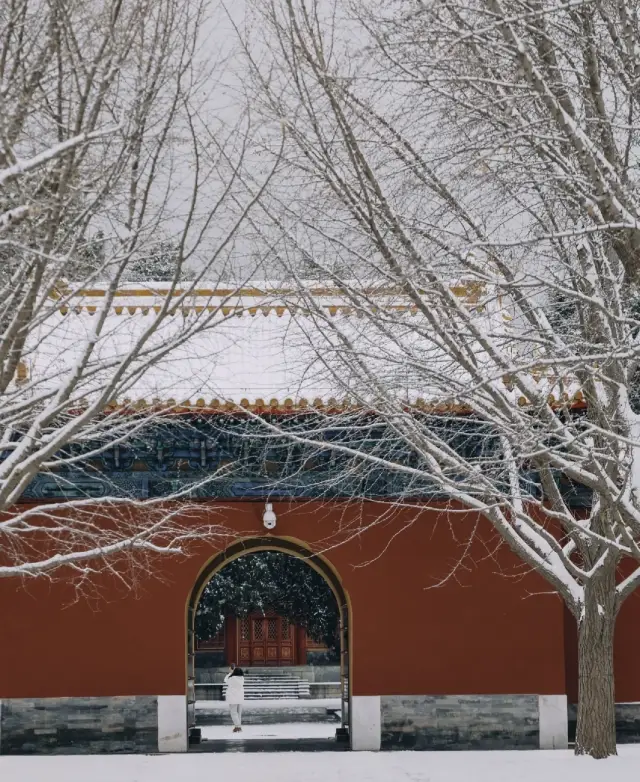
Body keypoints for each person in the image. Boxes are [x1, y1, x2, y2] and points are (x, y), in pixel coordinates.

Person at [223, 663, 245, 733]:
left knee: (233, 713)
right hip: (240, 697)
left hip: (233, 697)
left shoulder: (232, 678)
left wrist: (230, 673)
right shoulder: (242, 678)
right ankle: (238, 726)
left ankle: (237, 726)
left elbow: (225, 680)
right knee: (239, 713)